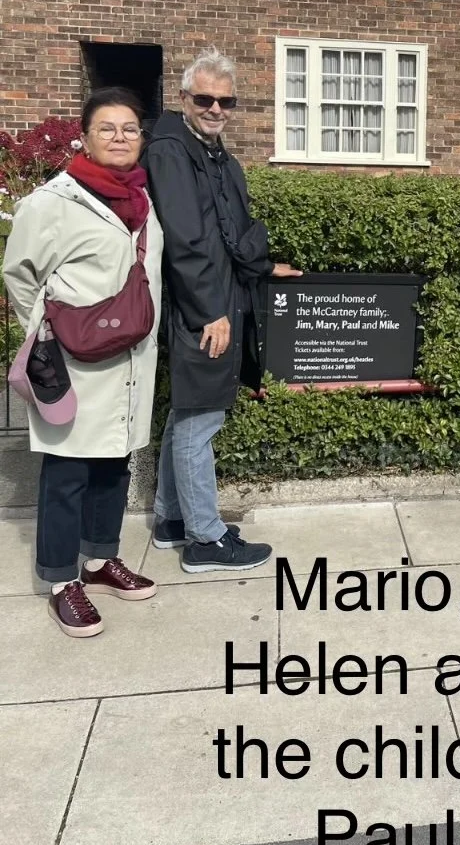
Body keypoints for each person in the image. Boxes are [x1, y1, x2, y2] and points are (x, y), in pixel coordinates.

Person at [3, 88, 163, 637]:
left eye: (130, 129)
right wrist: (51, 330)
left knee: (113, 463)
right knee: (67, 470)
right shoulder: (53, 202)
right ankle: (60, 580)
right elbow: (20, 274)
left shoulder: (142, 201)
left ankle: (98, 559)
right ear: (86, 139)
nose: (120, 137)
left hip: (130, 359)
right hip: (74, 359)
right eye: (107, 128)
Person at [142, 48, 301, 572]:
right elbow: (186, 240)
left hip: (219, 296)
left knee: (188, 412)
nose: (215, 108)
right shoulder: (172, 152)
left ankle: (171, 519)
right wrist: (212, 311)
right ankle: (205, 541)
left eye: (225, 101)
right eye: (204, 99)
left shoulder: (209, 152)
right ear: (183, 98)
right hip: (203, 306)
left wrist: (265, 267)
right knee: (201, 419)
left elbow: (228, 228)